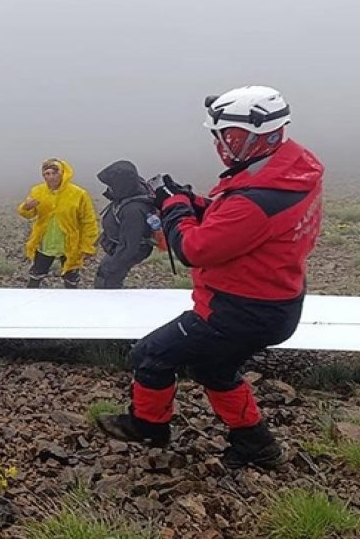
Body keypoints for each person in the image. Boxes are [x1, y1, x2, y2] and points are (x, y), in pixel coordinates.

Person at [96, 86, 324, 470]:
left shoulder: (258, 198)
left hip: (235, 310)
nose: (222, 145)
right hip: (273, 302)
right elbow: (235, 219)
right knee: (213, 369)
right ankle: (256, 445)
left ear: (259, 135)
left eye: (229, 136)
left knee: (150, 356)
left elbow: (192, 249)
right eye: (221, 136)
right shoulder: (288, 172)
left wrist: (174, 205)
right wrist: (195, 202)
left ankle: (149, 426)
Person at [17, 158, 100, 289]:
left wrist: (87, 247)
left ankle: (71, 305)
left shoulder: (78, 194)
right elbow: (29, 214)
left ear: (63, 173)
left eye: (55, 173)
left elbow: (88, 221)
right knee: (35, 276)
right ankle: (29, 305)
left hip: (70, 245)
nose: (51, 177)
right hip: (45, 242)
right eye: (47, 174)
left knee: (71, 280)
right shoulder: (37, 191)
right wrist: (26, 208)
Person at [93, 160, 158, 289]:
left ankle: (109, 303)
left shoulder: (133, 211)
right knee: (105, 274)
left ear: (121, 184)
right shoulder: (130, 191)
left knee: (107, 280)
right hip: (119, 247)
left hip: (124, 250)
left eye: (112, 184)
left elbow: (130, 246)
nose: (109, 188)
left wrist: (113, 268)